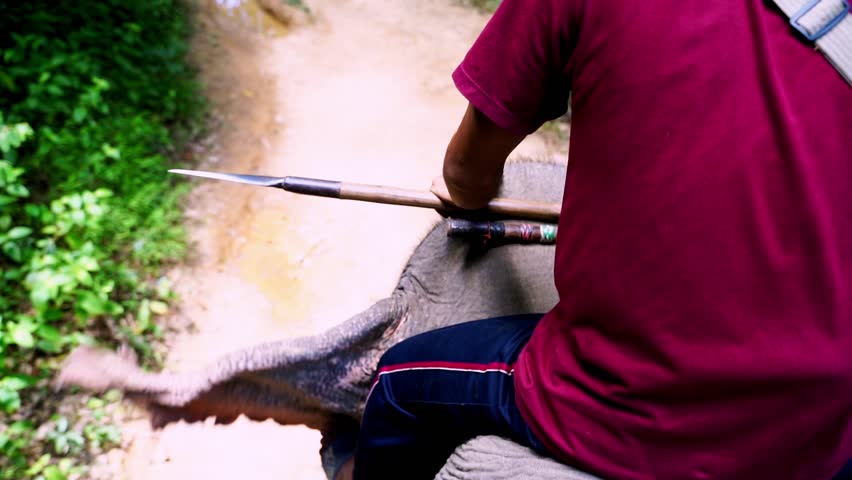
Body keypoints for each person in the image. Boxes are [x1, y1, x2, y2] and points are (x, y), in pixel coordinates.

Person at [340, 0, 852, 478]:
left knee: (397, 386)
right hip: (824, 431)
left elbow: (464, 173)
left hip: (630, 405)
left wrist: (467, 192)